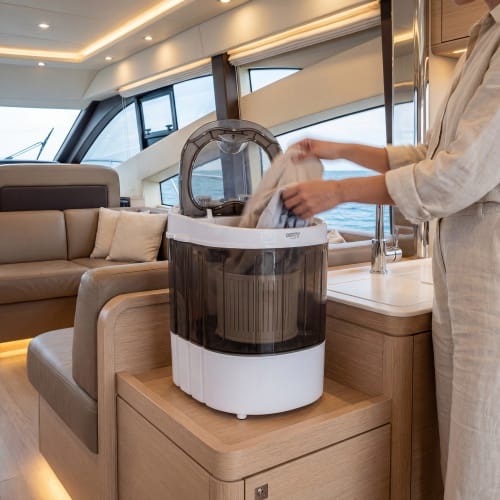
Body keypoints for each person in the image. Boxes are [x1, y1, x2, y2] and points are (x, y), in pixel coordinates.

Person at [282, 1, 500, 499]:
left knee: (481, 455)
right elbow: (430, 155)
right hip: (461, 277)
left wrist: (339, 192)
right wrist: (339, 151)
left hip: (490, 279)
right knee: (461, 450)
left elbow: (456, 175)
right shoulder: (483, 36)